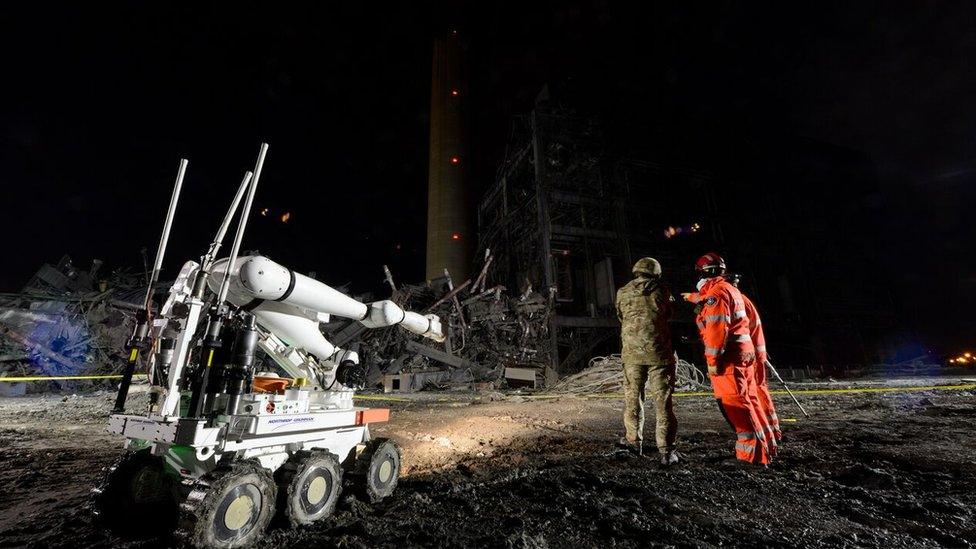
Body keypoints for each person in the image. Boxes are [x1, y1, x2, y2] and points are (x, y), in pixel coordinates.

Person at [686, 253, 773, 465]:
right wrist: (694, 298)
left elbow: (716, 332)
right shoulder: (730, 291)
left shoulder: (717, 294)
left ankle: (749, 456)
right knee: (750, 403)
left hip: (729, 360)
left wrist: (712, 362)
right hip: (742, 356)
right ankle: (764, 449)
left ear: (703, 274)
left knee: (737, 407)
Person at [615, 257, 680, 467]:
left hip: (632, 356)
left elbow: (620, 316)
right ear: (656, 272)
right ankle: (667, 452)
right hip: (659, 355)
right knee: (663, 404)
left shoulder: (622, 291)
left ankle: (633, 441)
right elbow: (670, 314)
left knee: (633, 399)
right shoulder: (663, 291)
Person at [728, 274, 781, 444]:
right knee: (759, 392)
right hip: (755, 354)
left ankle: (768, 433)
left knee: (756, 394)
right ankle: (771, 430)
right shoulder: (744, 300)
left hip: (751, 357)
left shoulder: (738, 301)